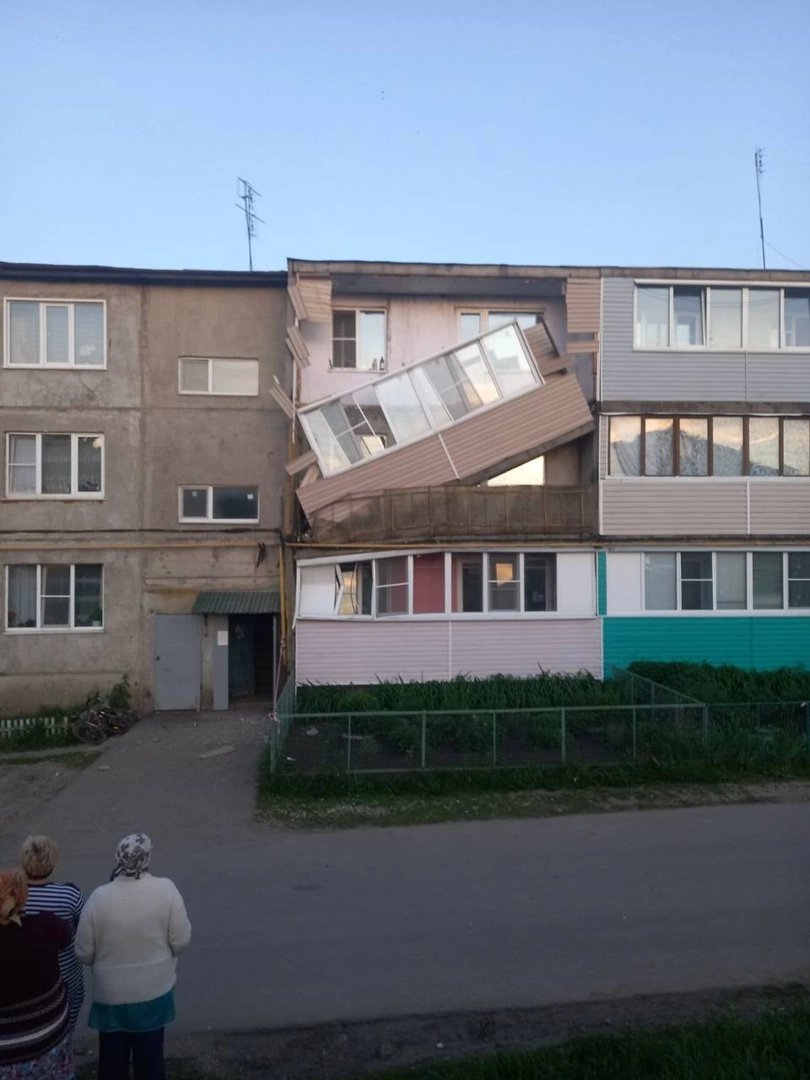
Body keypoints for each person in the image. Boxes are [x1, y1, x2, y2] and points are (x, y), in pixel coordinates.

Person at [75, 833, 191, 1080]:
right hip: (154, 993)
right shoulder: (166, 889)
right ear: (147, 858)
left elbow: (83, 952)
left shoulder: (99, 897)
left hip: (111, 996)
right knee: (150, 1061)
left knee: (111, 1062)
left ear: (118, 858)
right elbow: (181, 941)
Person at [0, 868, 73, 1080]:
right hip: (52, 1040)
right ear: (23, 896)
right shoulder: (46, 925)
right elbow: (66, 937)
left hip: (8, 1056)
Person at [20, 834, 86, 1032]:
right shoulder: (69, 894)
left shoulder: (12, 896)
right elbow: (82, 928)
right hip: (65, 972)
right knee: (69, 1016)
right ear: (53, 862)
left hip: (25, 973)